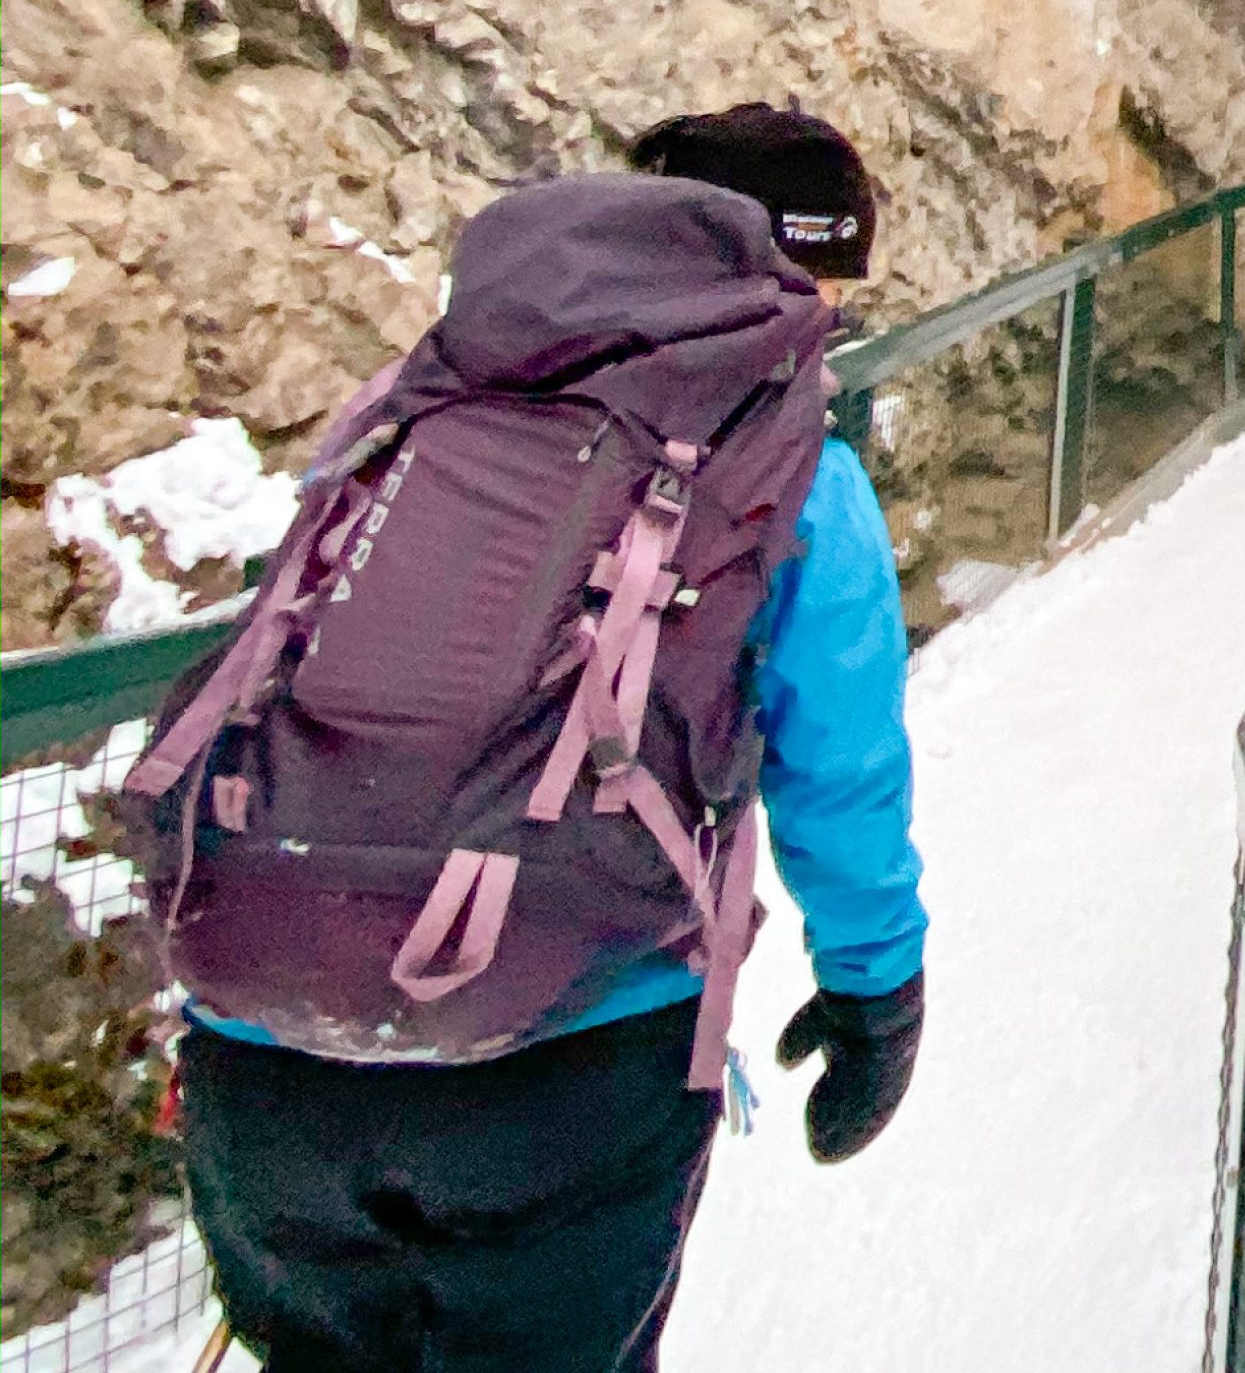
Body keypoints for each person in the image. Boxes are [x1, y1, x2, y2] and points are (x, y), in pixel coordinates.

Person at [168, 105, 929, 1373]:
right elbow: (839, 769)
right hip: (571, 1051)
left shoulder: (418, 400)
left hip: (264, 1043)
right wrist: (876, 989)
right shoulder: (792, 465)